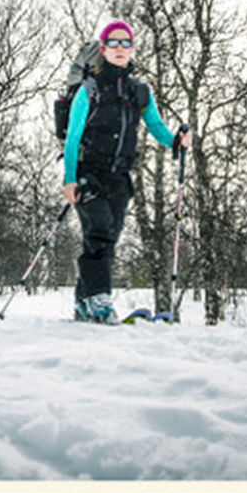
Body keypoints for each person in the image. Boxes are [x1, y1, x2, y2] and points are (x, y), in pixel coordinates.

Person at [61, 19, 194, 322]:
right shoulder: (88, 90)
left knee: (109, 236)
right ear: (104, 49)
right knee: (100, 230)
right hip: (88, 172)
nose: (120, 48)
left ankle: (84, 300)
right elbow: (72, 138)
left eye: (126, 43)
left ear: (132, 49)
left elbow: (157, 128)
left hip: (120, 177)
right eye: (114, 43)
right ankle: (100, 300)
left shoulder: (139, 91)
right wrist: (69, 179)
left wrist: (177, 141)